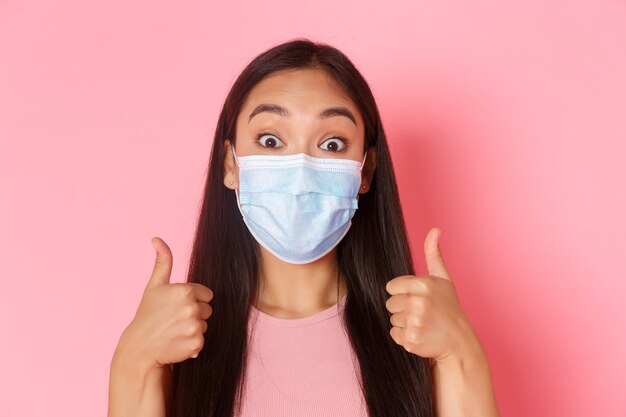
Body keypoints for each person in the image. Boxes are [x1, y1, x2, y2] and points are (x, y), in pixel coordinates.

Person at [107, 38, 501, 417]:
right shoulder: (177, 340)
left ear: (366, 171)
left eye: (331, 144)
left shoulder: (419, 334)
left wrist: (462, 351)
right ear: (230, 164)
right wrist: (134, 362)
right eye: (271, 140)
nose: (300, 170)